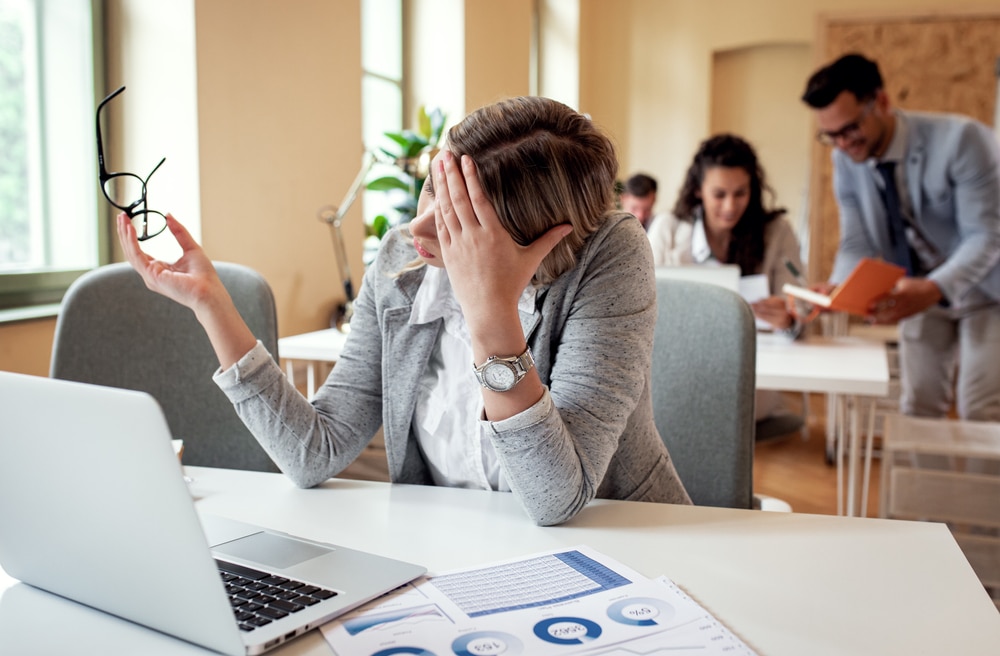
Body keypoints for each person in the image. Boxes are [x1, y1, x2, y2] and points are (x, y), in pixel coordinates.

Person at [117, 96, 692, 526]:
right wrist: (212, 306)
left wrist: (489, 309)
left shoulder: (611, 254)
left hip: (628, 547)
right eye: (429, 192)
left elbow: (555, 499)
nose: (413, 231)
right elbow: (312, 453)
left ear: (532, 238)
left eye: (456, 220)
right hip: (453, 550)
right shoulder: (402, 259)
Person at [801, 53, 1000, 420]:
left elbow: (985, 236)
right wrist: (838, 287)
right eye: (830, 136)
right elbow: (856, 241)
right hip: (917, 290)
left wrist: (934, 288)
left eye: (849, 129)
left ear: (881, 102)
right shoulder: (845, 158)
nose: (842, 144)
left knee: (981, 410)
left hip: (987, 290)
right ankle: (926, 481)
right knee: (918, 407)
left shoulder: (963, 140)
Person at [647, 134, 806, 436]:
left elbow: (803, 305)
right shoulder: (667, 230)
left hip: (753, 385)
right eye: (719, 194)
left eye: (740, 193)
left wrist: (788, 319)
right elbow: (641, 304)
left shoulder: (777, 233)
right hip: (679, 377)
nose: (730, 206)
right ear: (698, 191)